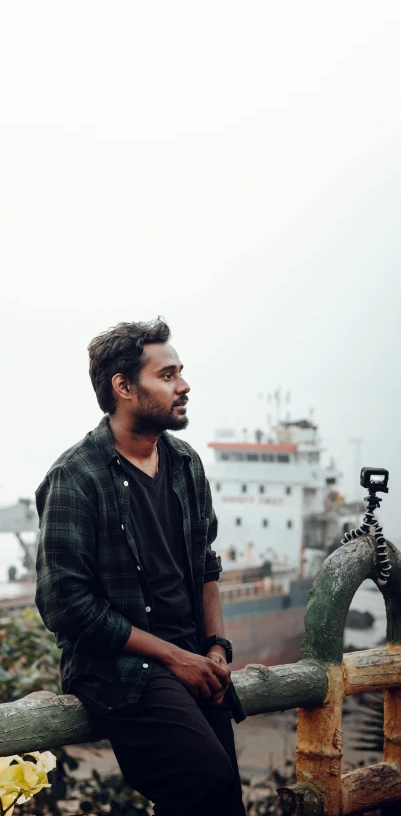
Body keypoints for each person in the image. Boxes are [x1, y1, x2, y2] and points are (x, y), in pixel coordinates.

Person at [35, 318, 245, 816]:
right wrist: (176, 657)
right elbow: (65, 605)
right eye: (167, 375)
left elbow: (205, 565)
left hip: (192, 659)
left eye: (181, 373)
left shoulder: (185, 464)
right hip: (121, 670)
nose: (184, 386)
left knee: (225, 799)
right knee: (208, 784)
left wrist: (214, 646)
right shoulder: (75, 477)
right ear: (124, 387)